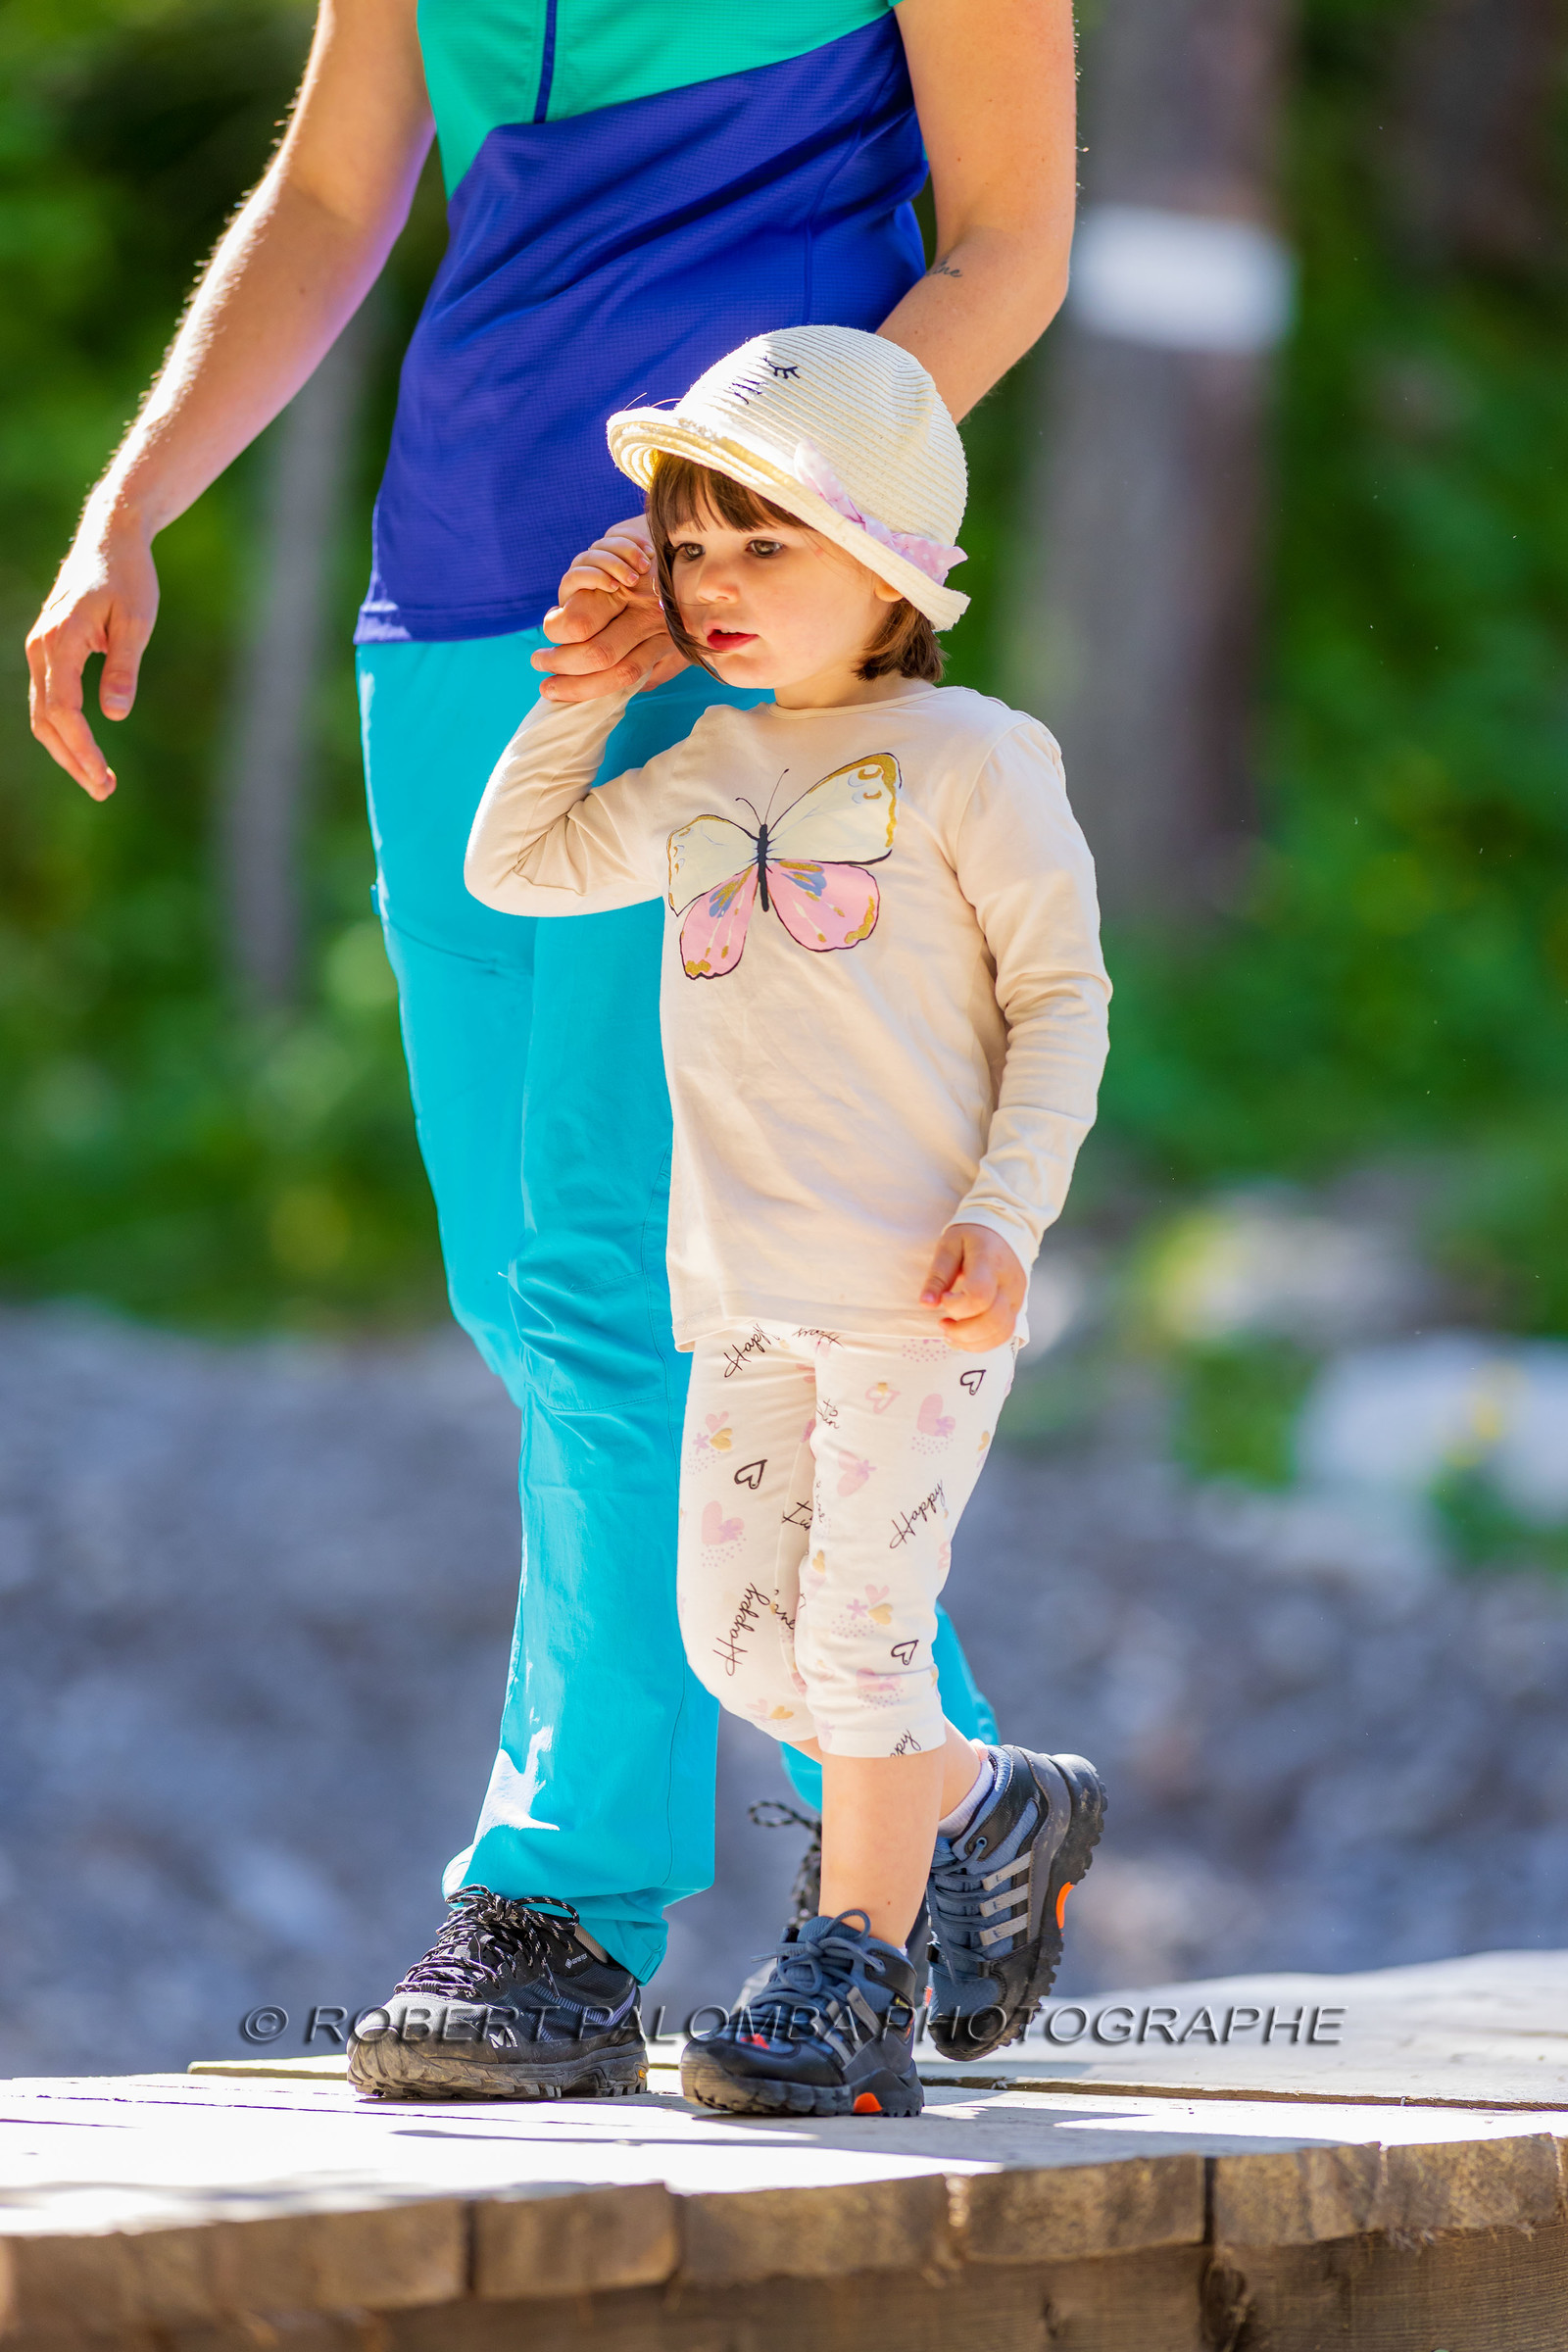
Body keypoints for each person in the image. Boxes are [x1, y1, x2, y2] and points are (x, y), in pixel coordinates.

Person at [25, 0, 1078, 2102]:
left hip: (734, 634)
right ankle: (951, 1798)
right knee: (518, 1286)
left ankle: (558, 1911)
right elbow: (336, 190)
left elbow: (1009, 243)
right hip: (451, 611)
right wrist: (130, 503)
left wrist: (748, 521)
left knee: (611, 1275)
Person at [459, 326, 1109, 2119]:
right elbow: (512, 867)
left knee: (857, 1644)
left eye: (766, 546)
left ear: (889, 566)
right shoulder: (705, 770)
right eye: (692, 548)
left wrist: (1008, 1211)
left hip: (916, 1297)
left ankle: (853, 1970)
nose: (712, 585)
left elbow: (1065, 1003)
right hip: (739, 1295)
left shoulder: (978, 757)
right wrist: (583, 691)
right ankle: (991, 1802)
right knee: (735, 1642)